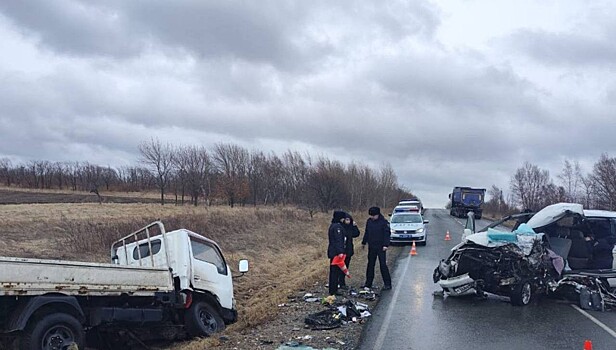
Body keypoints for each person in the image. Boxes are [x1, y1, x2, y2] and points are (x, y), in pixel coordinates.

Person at [361, 206, 392, 290]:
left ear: (378, 215)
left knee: (383, 265)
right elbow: (367, 232)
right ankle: (368, 283)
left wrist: (386, 245)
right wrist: (364, 242)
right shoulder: (369, 221)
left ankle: (387, 284)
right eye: (371, 215)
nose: (372, 217)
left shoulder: (384, 222)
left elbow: (387, 234)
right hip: (372, 246)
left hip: (381, 247)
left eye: (373, 215)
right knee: (370, 265)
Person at [339, 212, 361, 289]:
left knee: (346, 266)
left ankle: (342, 282)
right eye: (346, 220)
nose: (348, 221)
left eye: (349, 220)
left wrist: (355, 226)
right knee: (340, 266)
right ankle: (340, 282)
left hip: (349, 249)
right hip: (342, 250)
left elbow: (356, 234)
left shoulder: (350, 227)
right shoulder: (341, 227)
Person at [328, 210, 346, 296]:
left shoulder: (333, 225)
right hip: (336, 253)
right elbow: (338, 240)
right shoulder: (337, 227)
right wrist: (340, 252)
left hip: (333, 252)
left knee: (334, 271)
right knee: (335, 271)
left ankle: (333, 289)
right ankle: (333, 290)